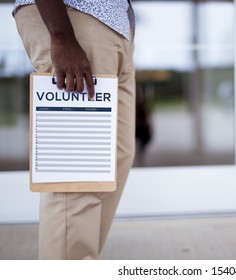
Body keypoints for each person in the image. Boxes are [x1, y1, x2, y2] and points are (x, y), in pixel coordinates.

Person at [14, 0, 136, 259]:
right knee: (77, 179)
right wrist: (61, 35)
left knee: (116, 160)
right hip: (73, 19)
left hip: (114, 27)